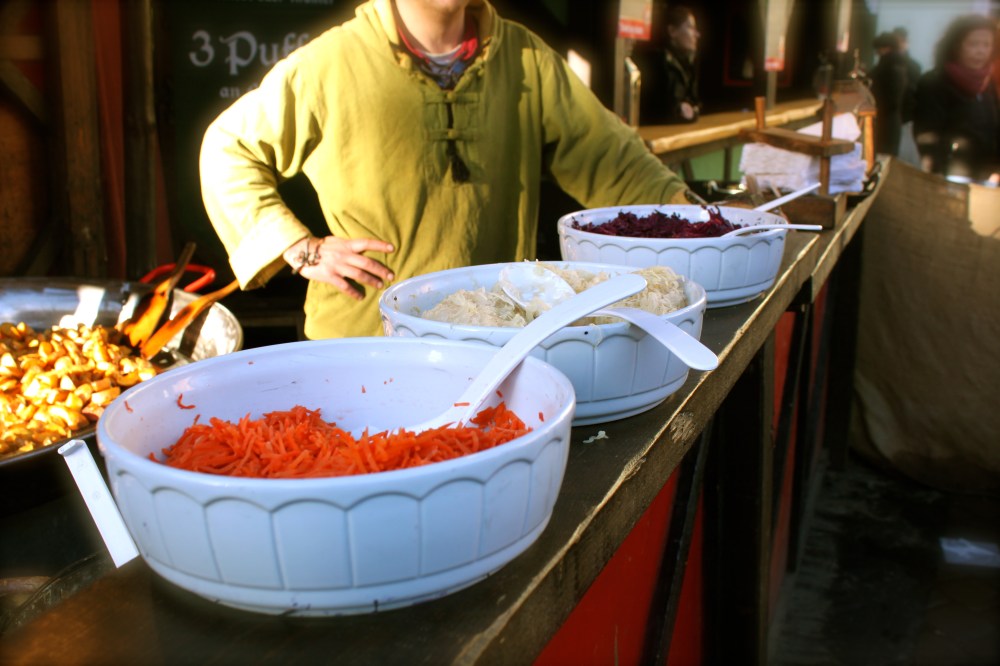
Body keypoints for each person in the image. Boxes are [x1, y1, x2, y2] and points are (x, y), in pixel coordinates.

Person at [200, 0, 694, 339]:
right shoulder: (330, 62)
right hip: (365, 340)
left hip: (494, 337)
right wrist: (303, 250)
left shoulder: (525, 59)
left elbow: (611, 155)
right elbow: (228, 149)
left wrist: (702, 222)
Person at [914, 15, 999, 181]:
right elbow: (927, 134)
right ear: (956, 46)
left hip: (989, 174)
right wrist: (935, 171)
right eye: (973, 44)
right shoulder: (935, 82)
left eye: (986, 45)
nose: (980, 51)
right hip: (954, 175)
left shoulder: (988, 83)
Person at [632, 3, 702, 125]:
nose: (697, 35)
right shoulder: (656, 63)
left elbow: (695, 103)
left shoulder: (689, 64)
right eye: (691, 28)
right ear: (672, 31)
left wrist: (692, 110)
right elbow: (651, 108)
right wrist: (679, 110)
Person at [869, 32, 908, 156]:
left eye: (879, 49)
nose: (877, 53)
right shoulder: (897, 65)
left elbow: (890, 99)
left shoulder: (888, 67)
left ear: (886, 48)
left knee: (881, 157)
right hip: (891, 122)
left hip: (884, 122)